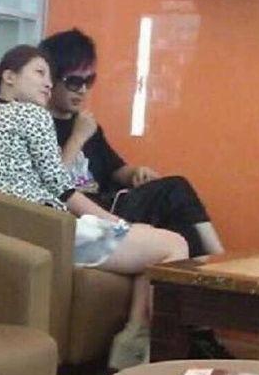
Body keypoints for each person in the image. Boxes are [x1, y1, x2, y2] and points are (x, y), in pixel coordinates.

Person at [0, 44, 189, 368]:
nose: (48, 83)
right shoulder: (32, 115)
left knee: (148, 241)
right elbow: (61, 187)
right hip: (51, 233)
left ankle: (133, 339)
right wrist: (115, 223)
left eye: (50, 76)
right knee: (174, 245)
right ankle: (152, 350)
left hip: (4, 232)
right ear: (9, 76)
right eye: (39, 73)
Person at [38, 29, 224, 259]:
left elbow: (116, 169)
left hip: (110, 203)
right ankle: (219, 261)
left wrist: (136, 173)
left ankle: (213, 266)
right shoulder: (39, 125)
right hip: (83, 214)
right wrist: (77, 138)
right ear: (51, 79)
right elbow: (51, 185)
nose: (83, 90)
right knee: (175, 189)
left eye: (89, 81)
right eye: (74, 82)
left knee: (179, 217)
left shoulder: (86, 124)